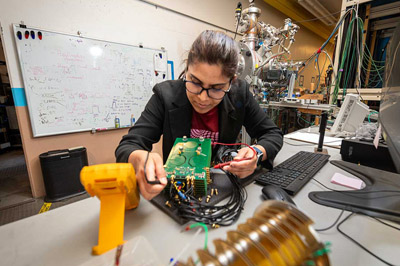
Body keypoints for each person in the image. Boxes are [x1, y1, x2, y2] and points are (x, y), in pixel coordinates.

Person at [116, 30, 283, 200]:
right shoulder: (165, 96)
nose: (203, 98)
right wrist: (139, 158)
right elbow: (128, 145)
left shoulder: (240, 94)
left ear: (231, 82)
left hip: (224, 190)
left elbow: (272, 134)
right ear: (187, 70)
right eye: (195, 83)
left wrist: (257, 153)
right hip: (179, 192)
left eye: (216, 88)